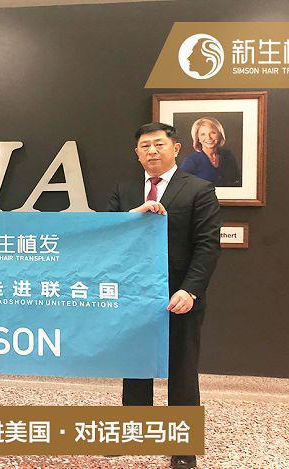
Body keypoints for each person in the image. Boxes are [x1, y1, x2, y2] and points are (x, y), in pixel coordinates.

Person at [105, 123, 221, 469]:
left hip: (179, 294)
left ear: (176, 149)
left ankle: (182, 446)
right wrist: (132, 216)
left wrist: (191, 290)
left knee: (182, 370)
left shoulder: (199, 189)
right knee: (134, 365)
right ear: (137, 153)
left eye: (159, 144)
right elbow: (107, 235)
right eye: (145, 146)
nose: (152, 151)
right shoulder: (125, 190)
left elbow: (207, 245)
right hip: (133, 294)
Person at [180, 117, 241, 187]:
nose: (208, 137)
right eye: (203, 134)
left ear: (220, 135)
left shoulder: (228, 156)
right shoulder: (191, 161)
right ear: (198, 138)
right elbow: (180, 184)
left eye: (213, 133)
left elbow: (237, 181)